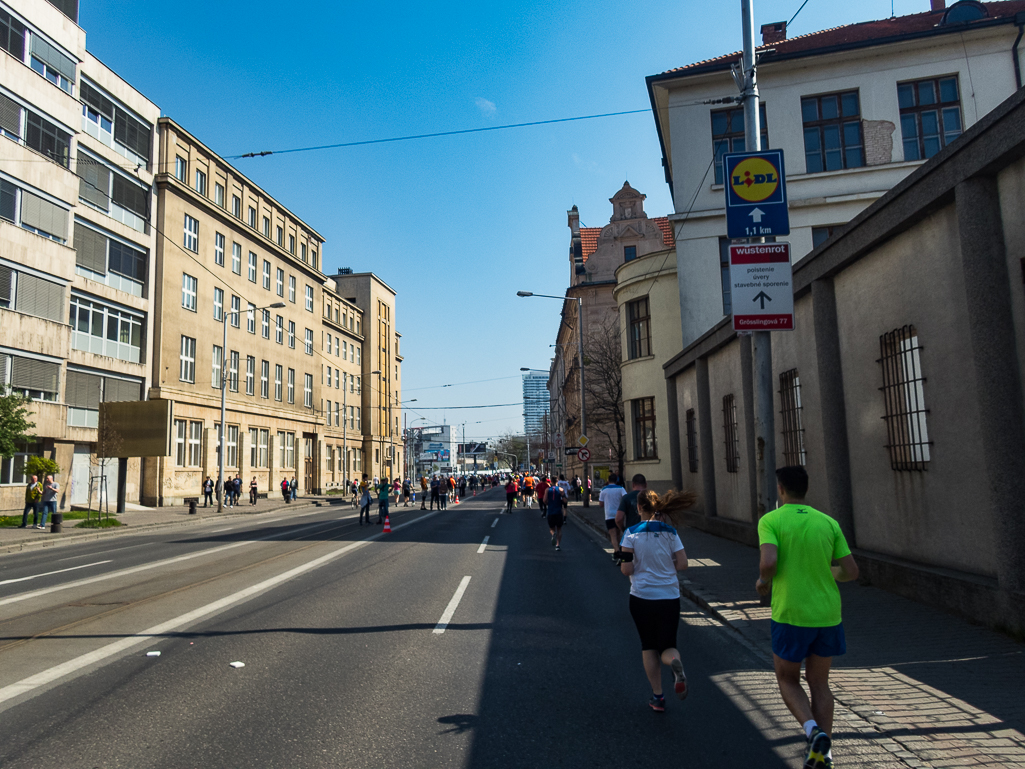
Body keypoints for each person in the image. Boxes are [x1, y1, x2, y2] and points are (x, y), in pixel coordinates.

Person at [757, 466, 859, 769]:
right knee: (820, 683)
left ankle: (813, 732)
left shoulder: (771, 520)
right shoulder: (828, 523)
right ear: (806, 490)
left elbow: (769, 561)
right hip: (828, 614)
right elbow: (852, 572)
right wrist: (830, 572)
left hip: (791, 613)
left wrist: (763, 582)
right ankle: (822, 753)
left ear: (781, 490)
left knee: (788, 679)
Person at [620, 488, 696, 712]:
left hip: (642, 596)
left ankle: (658, 697)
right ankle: (674, 663)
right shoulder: (670, 532)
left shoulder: (630, 533)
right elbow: (683, 564)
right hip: (669, 595)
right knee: (668, 644)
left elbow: (626, 569)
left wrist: (636, 567)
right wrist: (665, 568)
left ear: (639, 508)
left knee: (648, 645)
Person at [615, 474, 648, 553]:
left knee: (629, 560)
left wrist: (623, 529)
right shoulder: (651, 497)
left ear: (633, 484)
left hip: (632, 534)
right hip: (649, 533)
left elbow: (618, 518)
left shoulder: (627, 498)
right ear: (646, 485)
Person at [599, 474, 627, 561]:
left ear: (608, 480)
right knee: (618, 533)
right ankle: (617, 551)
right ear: (616, 480)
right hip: (619, 514)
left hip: (609, 515)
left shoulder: (604, 490)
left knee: (613, 535)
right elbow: (625, 498)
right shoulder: (621, 488)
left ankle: (617, 551)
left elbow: (601, 504)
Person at [545, 482, 567, 550]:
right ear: (557, 482)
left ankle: (553, 534)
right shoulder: (561, 489)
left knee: (551, 528)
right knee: (559, 529)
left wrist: (548, 503)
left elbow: (544, 500)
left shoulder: (547, 490)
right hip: (558, 512)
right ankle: (557, 545)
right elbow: (565, 501)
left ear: (551, 482)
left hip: (551, 512)